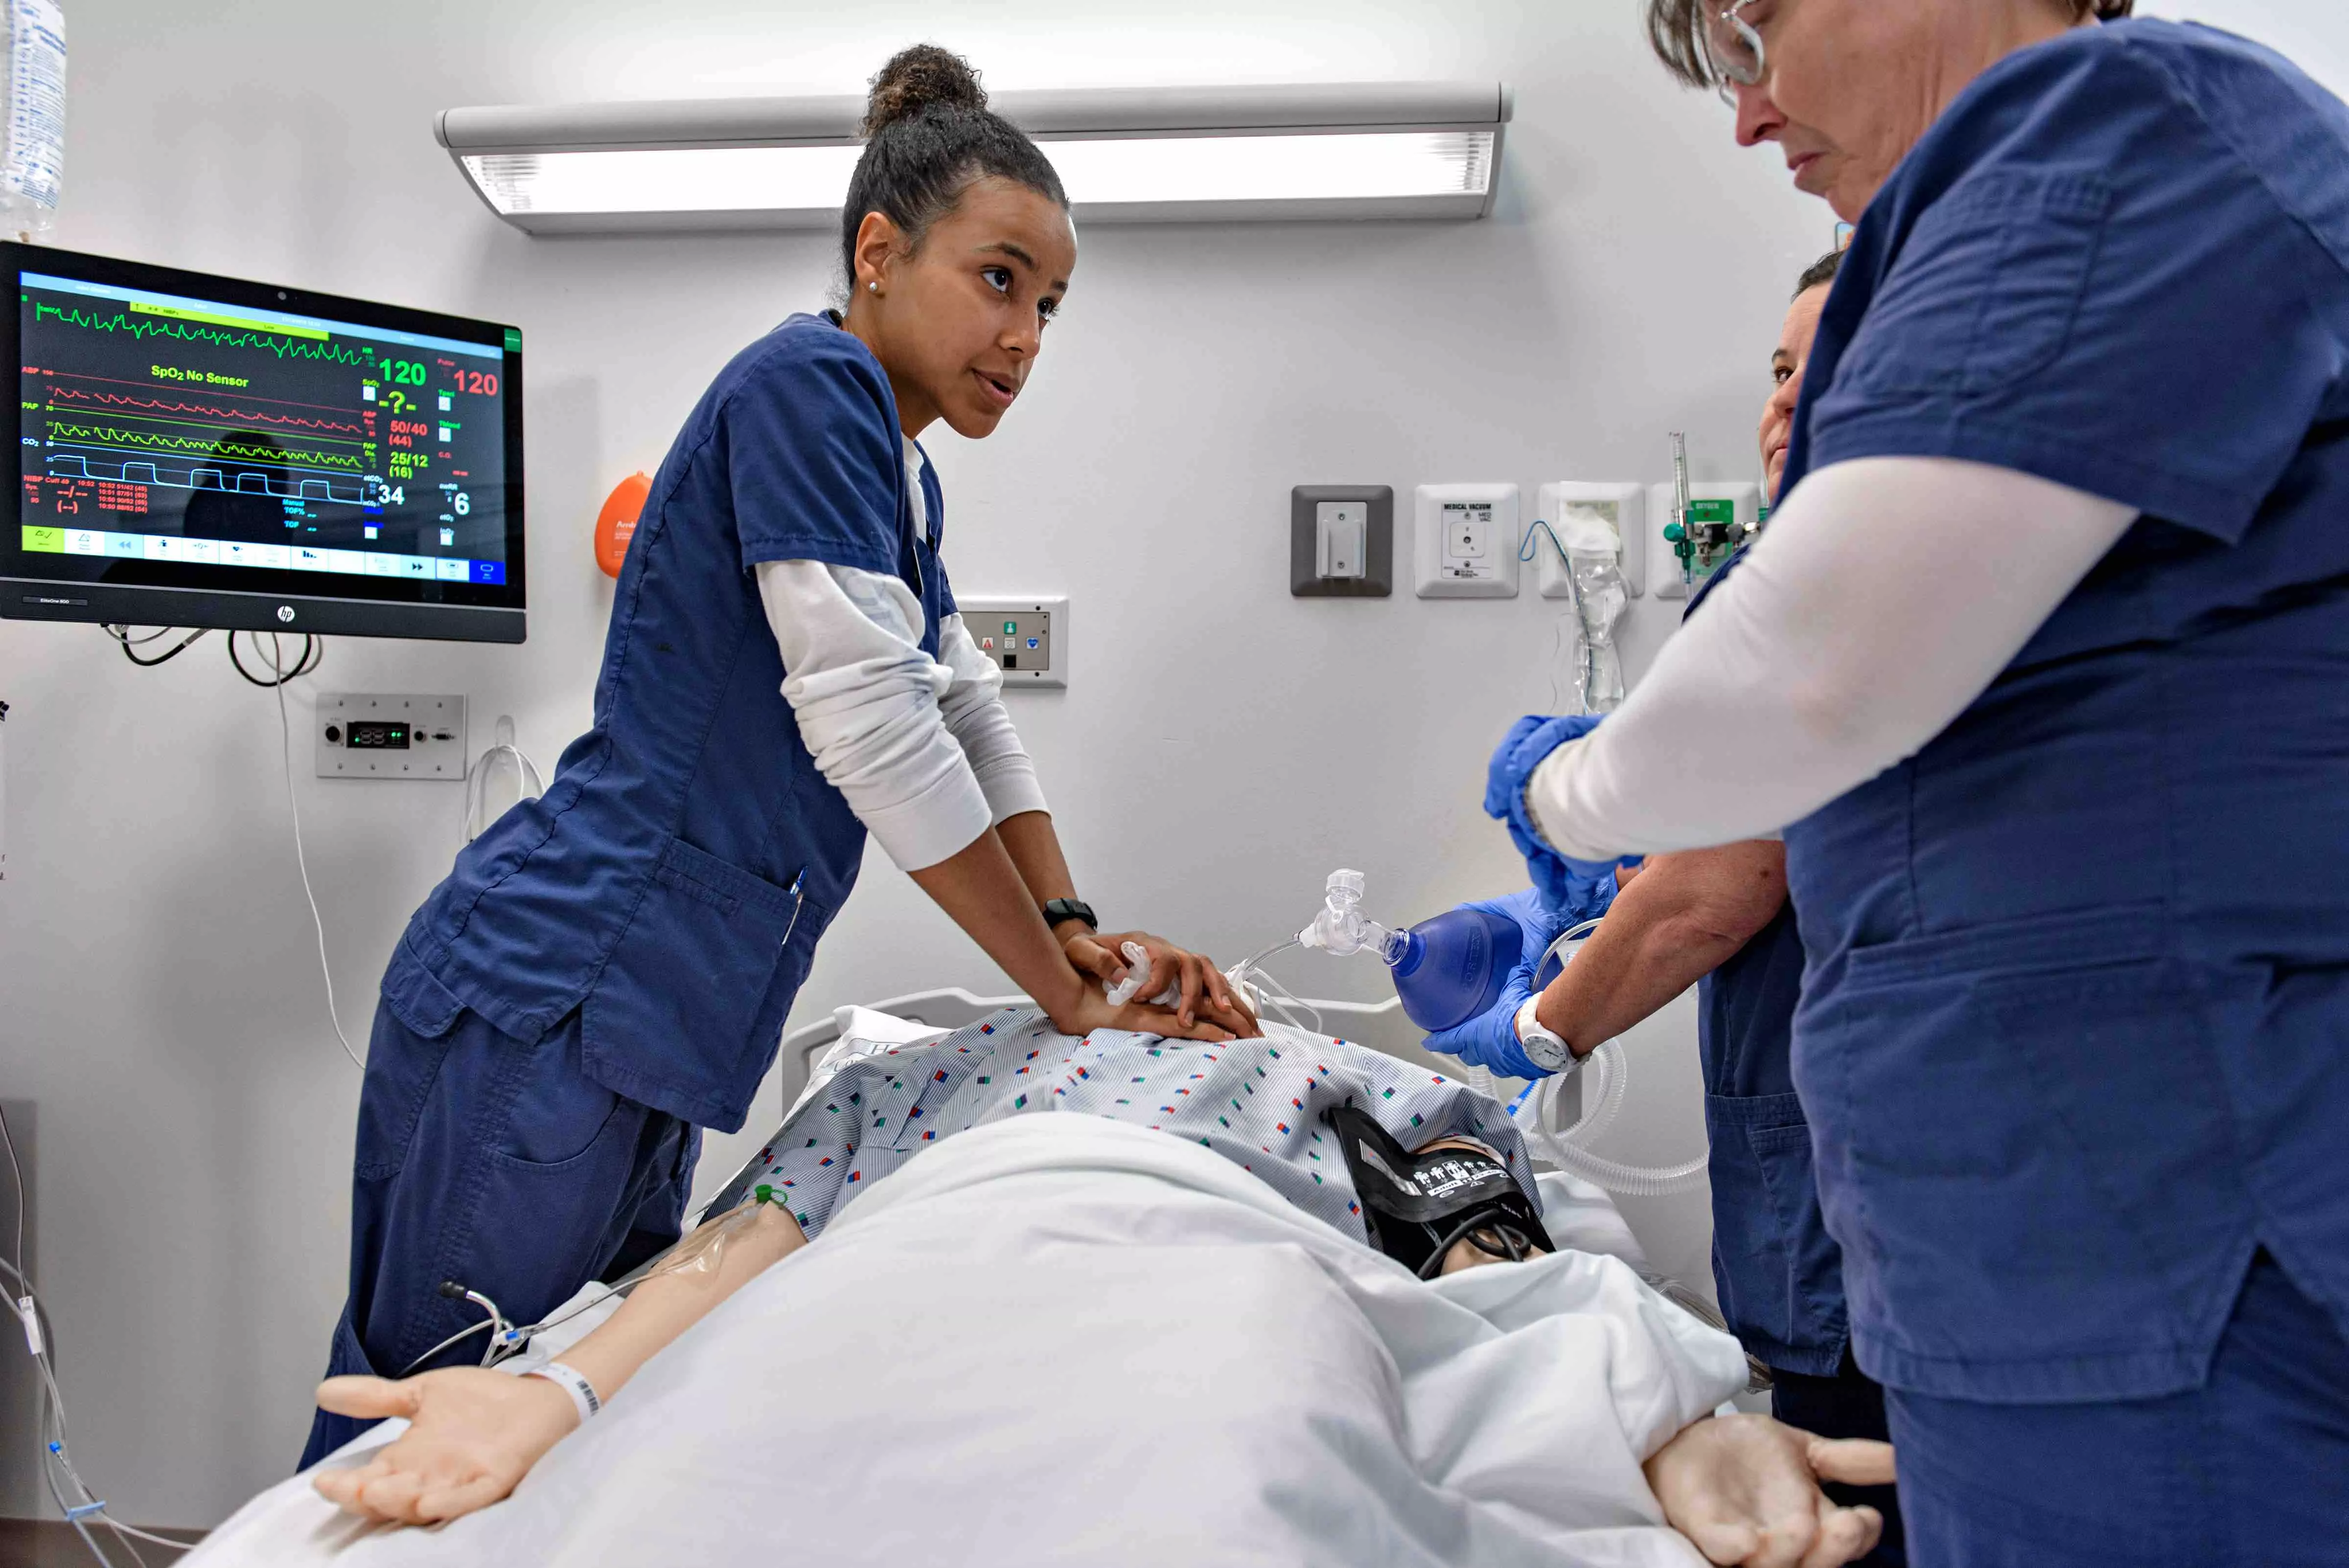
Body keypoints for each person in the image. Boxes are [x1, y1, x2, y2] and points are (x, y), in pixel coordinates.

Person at [302, 45, 1256, 1468]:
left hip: (655, 1030)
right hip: (554, 995)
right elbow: (872, 723)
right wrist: (1061, 993)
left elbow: (968, 714)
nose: (1027, 337)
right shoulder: (808, 385)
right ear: (881, 251)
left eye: (1049, 306)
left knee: (560, 1422)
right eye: (1000, 280)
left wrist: (1073, 929)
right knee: (422, 1415)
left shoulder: (896, 469)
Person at [1485, 3, 2349, 1563]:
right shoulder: (2026, 239)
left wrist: (1565, 797)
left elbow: (1812, 672)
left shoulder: (2125, 125)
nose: (1746, 120)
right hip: (2041, 1243)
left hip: (2170, 1221)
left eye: (1751, 40)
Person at [307, 1010, 1895, 1565]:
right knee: (723, 1471)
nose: (1149, 978)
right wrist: (560, 1386)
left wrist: (1662, 1410)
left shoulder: (1324, 1077)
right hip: (938, 1253)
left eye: (1183, 971)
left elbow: (1493, 1261)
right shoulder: (918, 1079)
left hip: (1215, 1262)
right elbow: (745, 1251)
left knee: (1241, 1450)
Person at [1430, 247, 1904, 1565]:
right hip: (1885, 1187)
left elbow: (1724, 881)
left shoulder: (1809, 586)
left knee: (1858, 1492)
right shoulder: (1887, 585)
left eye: (1826, 365)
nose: (1782, 398)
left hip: (1862, 1203)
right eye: (1777, 368)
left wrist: (1539, 1026)